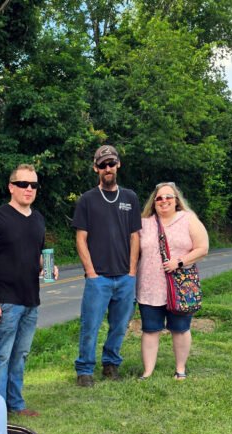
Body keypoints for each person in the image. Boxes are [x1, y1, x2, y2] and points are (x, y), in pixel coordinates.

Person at [0, 163, 56, 417]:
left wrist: (48, 268)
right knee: (2, 355)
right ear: (11, 187)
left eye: (33, 185)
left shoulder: (38, 219)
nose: (29, 189)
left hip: (31, 299)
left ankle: (16, 404)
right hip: (5, 300)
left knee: (20, 355)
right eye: (23, 184)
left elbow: (38, 255)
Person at [73, 144, 141, 387]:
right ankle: (84, 370)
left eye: (111, 163)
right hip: (98, 278)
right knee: (90, 325)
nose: (108, 168)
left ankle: (111, 364)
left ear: (118, 164)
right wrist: (91, 273)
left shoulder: (130, 198)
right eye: (102, 165)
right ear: (96, 168)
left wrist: (132, 271)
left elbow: (135, 236)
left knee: (120, 326)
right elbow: (81, 238)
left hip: (125, 277)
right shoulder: (87, 200)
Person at [135, 181, 209, 380]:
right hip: (149, 287)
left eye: (169, 197)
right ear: (154, 202)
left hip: (179, 287)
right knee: (150, 330)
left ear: (176, 200)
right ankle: (148, 371)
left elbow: (202, 248)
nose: (164, 200)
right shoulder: (144, 223)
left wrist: (180, 261)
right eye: (159, 198)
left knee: (180, 329)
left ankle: (180, 369)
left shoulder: (188, 219)